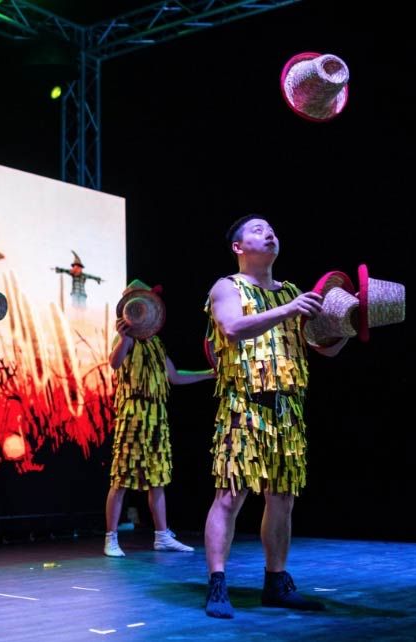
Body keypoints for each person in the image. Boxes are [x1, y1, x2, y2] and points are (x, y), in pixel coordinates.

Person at [202, 215, 345, 619]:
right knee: (230, 494)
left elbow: (324, 348)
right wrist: (289, 310)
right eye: (257, 229)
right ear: (238, 247)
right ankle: (217, 583)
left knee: (282, 498)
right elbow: (232, 328)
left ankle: (276, 581)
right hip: (244, 404)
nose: (269, 233)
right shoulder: (227, 287)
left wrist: (345, 327)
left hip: (288, 409)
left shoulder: (292, 293)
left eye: (272, 229)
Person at [104, 279, 214, 558]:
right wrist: (124, 338)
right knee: (121, 478)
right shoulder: (125, 340)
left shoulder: (155, 344)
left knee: (157, 477)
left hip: (156, 416)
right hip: (133, 415)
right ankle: (111, 538)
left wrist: (209, 374)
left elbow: (174, 377)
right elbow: (114, 363)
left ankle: (162, 535)